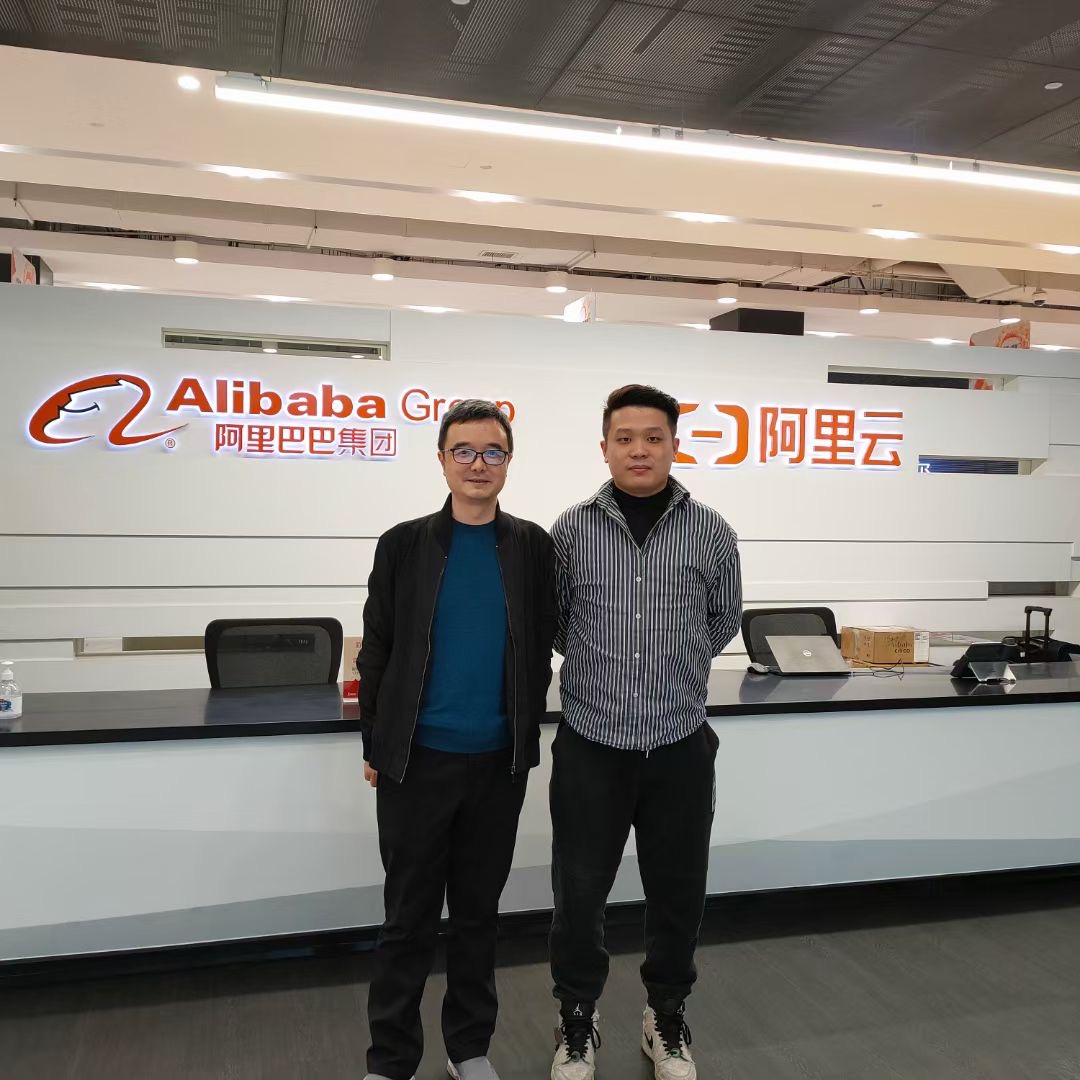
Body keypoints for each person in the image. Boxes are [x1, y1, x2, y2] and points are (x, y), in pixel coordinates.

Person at [548, 384, 742, 1080]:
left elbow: (724, 618)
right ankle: (578, 1017)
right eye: (625, 438)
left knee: (678, 893)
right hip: (591, 744)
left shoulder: (711, 530)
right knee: (578, 895)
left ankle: (665, 1015)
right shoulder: (571, 530)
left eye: (653, 438)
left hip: (678, 745)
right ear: (604, 447)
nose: (639, 450)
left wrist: (670, 672)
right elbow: (558, 622)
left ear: (674, 445)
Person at [358, 399, 556, 1080]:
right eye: (464, 451)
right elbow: (377, 649)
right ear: (442, 460)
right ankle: (390, 1059)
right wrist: (375, 743)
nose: (478, 464)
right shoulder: (403, 545)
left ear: (509, 461)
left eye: (492, 451)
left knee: (477, 917)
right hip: (416, 762)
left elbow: (542, 643)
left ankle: (468, 1048)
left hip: (498, 764)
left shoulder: (532, 547)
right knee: (406, 920)